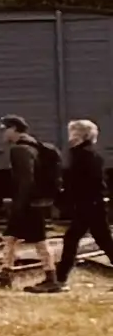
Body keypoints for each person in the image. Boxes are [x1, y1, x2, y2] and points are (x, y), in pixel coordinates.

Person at [61, 120, 111, 296]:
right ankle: (60, 278)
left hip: (88, 204)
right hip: (92, 204)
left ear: (80, 135)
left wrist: (69, 197)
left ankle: (59, 279)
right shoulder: (88, 154)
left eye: (72, 131)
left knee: (72, 239)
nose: (69, 135)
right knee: (103, 240)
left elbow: (83, 182)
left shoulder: (83, 155)